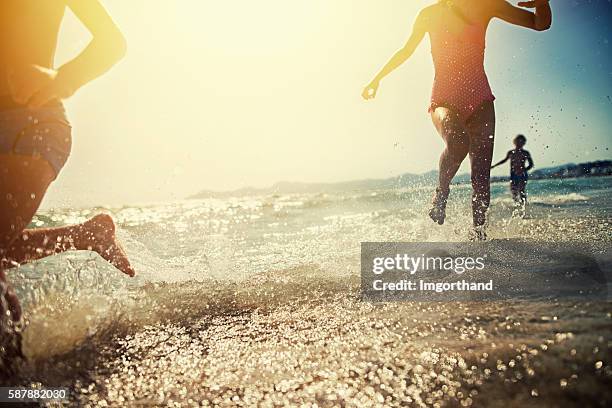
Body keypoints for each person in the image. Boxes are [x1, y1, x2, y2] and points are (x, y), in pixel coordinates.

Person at [362, 0, 551, 240]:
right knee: (458, 141)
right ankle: (441, 193)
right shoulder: (429, 14)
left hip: (481, 99)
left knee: (481, 179)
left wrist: (543, 3)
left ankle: (479, 238)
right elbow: (406, 50)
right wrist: (377, 79)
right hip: (444, 99)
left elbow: (539, 23)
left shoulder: (487, 5)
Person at [0, 0, 134, 325]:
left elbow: (111, 42)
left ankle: (15, 370)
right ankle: (87, 235)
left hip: (31, 125)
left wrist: (62, 78)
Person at [491, 134, 534, 209]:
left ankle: (524, 206)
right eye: (518, 141)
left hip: (522, 174)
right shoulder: (511, 152)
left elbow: (531, 165)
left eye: (521, 142)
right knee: (513, 191)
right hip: (513, 174)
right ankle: (517, 206)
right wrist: (494, 166)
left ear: (524, 143)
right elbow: (504, 160)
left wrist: (523, 170)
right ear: (514, 142)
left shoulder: (525, 153)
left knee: (521, 190)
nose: (519, 143)